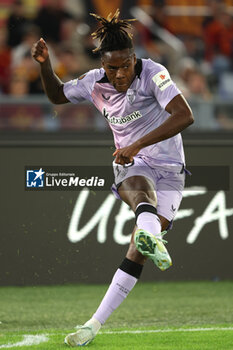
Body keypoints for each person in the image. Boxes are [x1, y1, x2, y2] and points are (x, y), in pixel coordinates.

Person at [31, 9, 194, 347]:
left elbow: (184, 115)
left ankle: (94, 322)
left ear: (134, 58)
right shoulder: (94, 83)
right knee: (137, 185)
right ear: (103, 65)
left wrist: (136, 143)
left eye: (125, 65)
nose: (119, 74)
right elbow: (57, 95)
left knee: (137, 250)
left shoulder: (153, 73)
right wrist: (45, 65)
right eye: (112, 67)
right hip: (131, 163)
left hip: (170, 168)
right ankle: (150, 235)